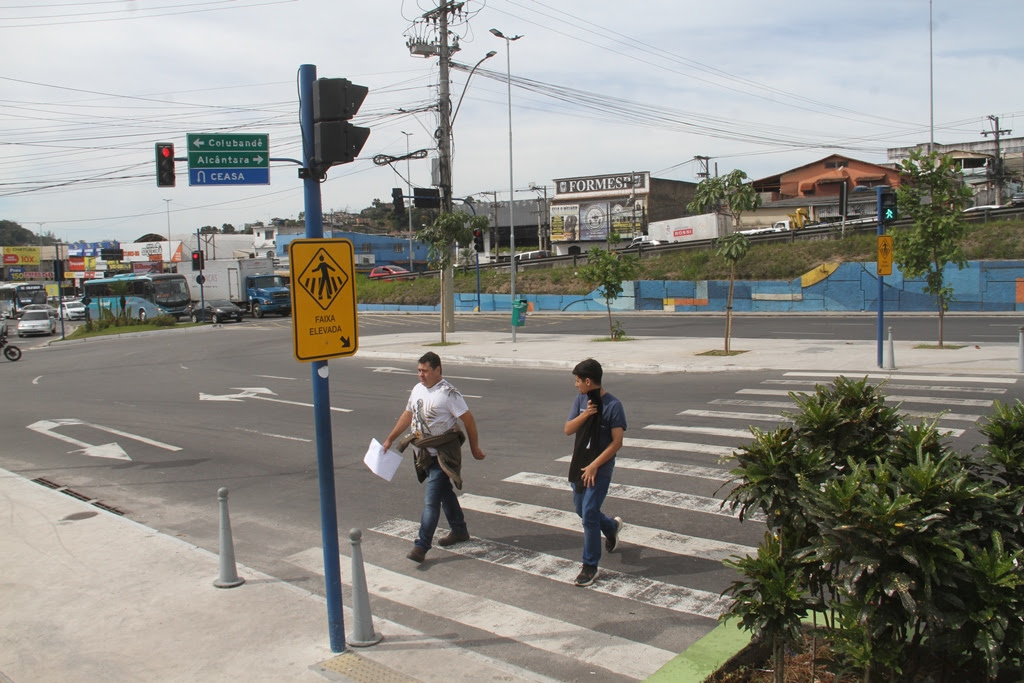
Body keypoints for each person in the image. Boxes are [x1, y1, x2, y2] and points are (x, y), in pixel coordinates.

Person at [382, 352, 486, 563]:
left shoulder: (448, 394)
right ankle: (459, 530)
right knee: (444, 492)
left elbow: (469, 420)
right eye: (419, 370)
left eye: (425, 371)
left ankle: (422, 546)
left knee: (431, 501)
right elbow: (408, 414)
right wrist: (390, 439)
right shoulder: (417, 389)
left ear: (438, 370)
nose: (421, 375)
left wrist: (475, 448)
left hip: (442, 455)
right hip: (423, 454)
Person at [563, 358, 625, 587]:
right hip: (580, 465)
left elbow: (617, 442)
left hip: (600, 468)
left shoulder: (613, 405)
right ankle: (611, 527)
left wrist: (595, 465)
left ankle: (590, 566)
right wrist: (586, 414)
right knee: (581, 509)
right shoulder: (580, 400)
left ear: (588, 381)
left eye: (578, 381)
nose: (575, 385)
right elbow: (568, 429)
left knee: (589, 513)